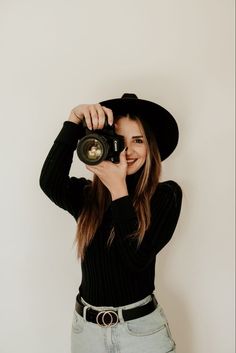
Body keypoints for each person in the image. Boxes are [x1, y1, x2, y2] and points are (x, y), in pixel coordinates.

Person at [39, 93, 183, 353]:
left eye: (138, 140)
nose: (127, 150)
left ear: (151, 147)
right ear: (105, 144)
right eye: (119, 140)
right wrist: (74, 121)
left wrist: (118, 189)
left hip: (141, 332)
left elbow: (136, 258)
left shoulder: (166, 195)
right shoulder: (87, 197)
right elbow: (49, 182)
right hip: (87, 332)